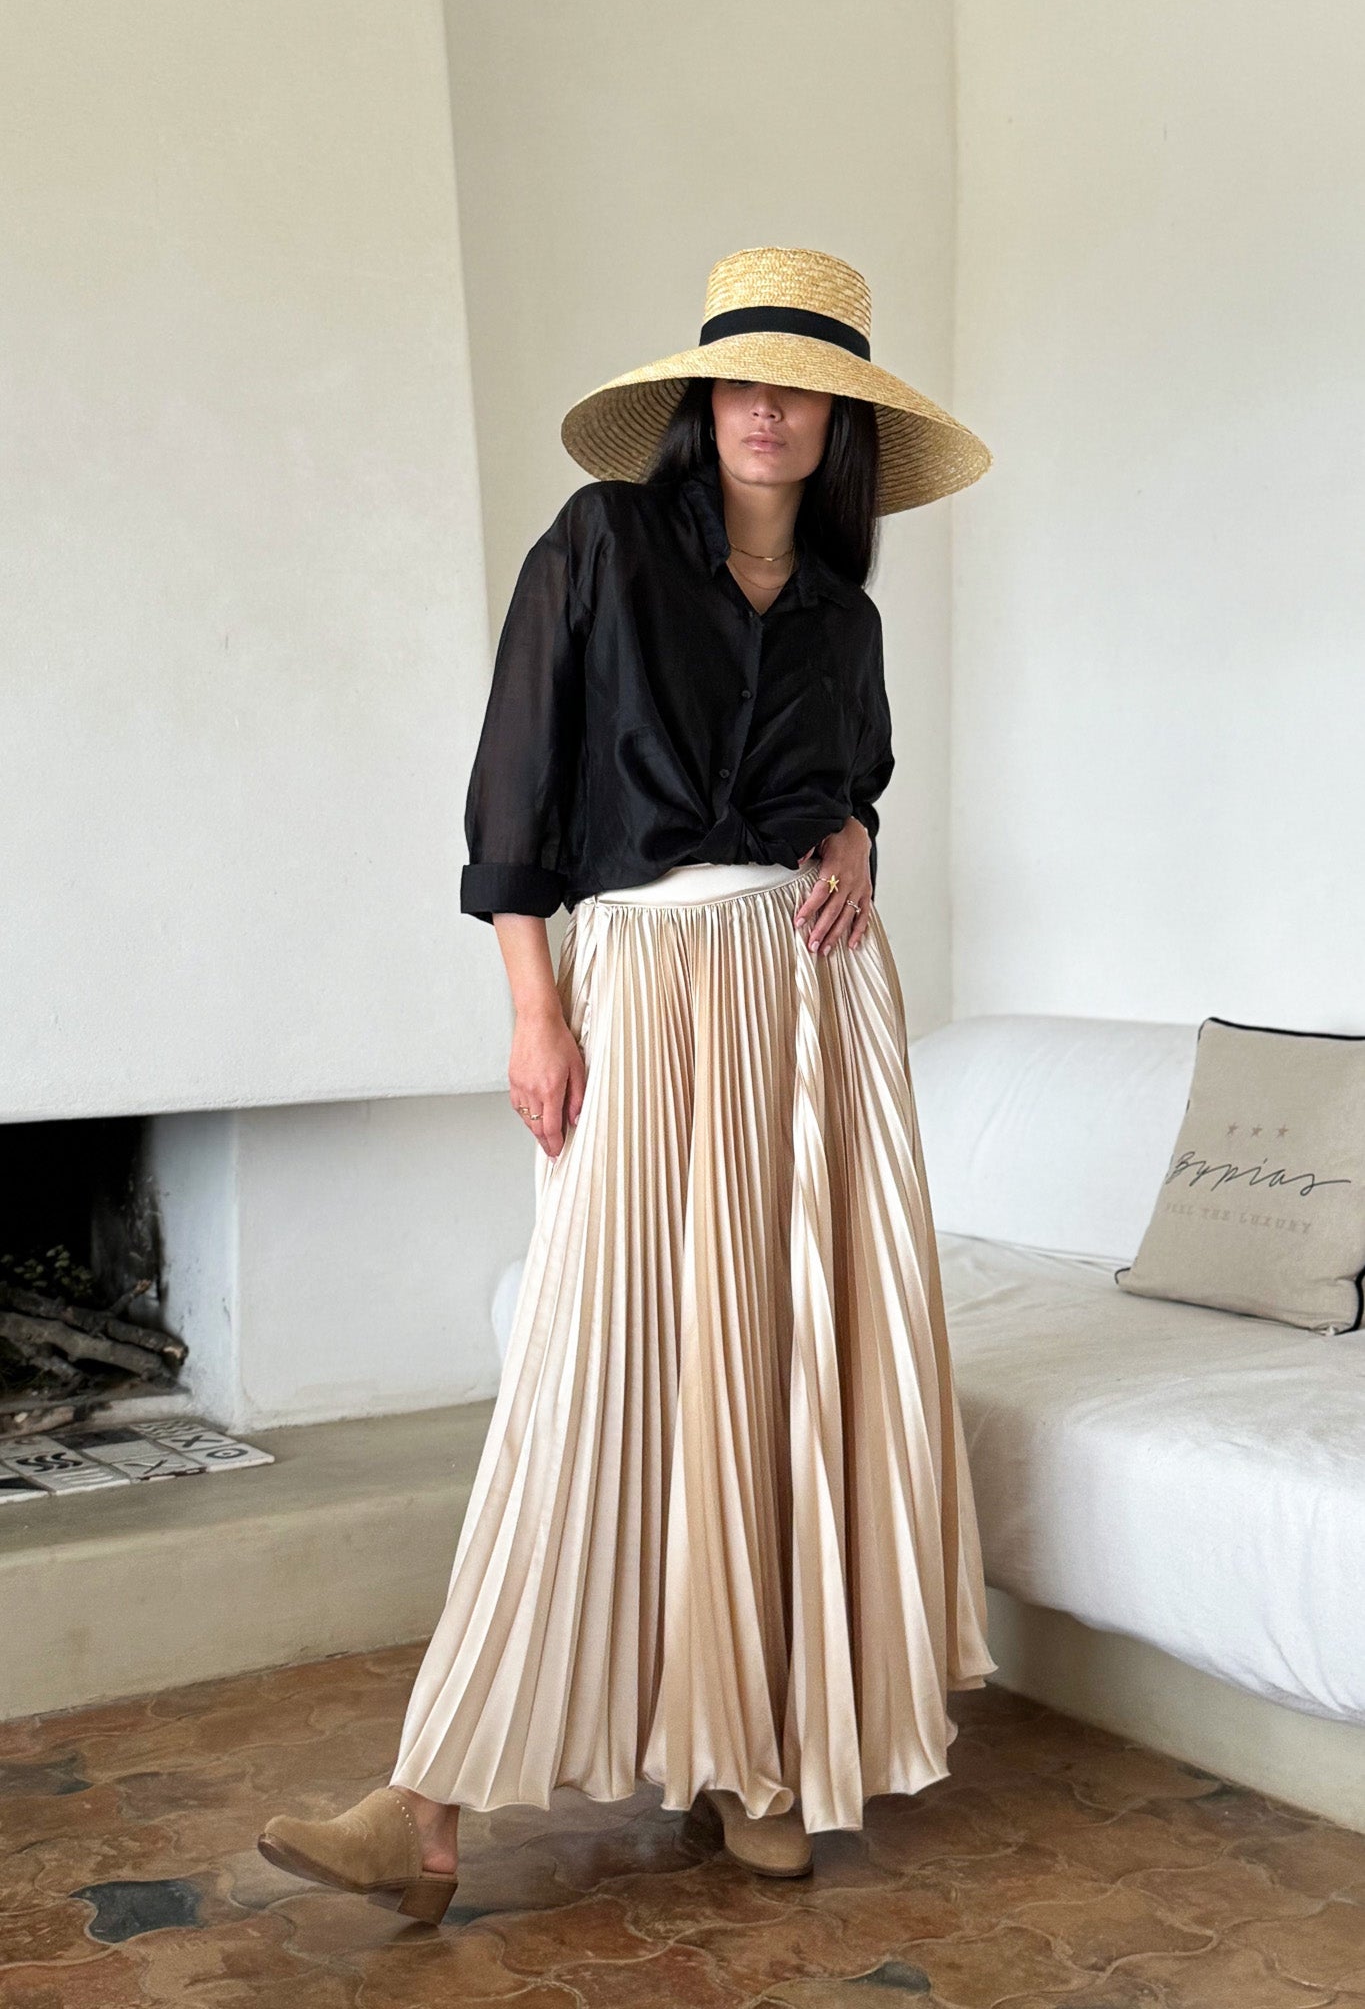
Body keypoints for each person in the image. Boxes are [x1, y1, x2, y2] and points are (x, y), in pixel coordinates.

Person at [258, 245, 998, 1924]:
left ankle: (757, 1760)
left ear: (840, 424)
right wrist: (535, 1012)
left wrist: (854, 834)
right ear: (699, 401)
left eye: (800, 387)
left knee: (785, 1368)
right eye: (740, 378)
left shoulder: (845, 614)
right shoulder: (599, 543)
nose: (764, 408)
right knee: (597, 1373)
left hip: (813, 1008)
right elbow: (515, 791)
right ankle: (426, 1804)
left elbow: (855, 783)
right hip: (641, 992)